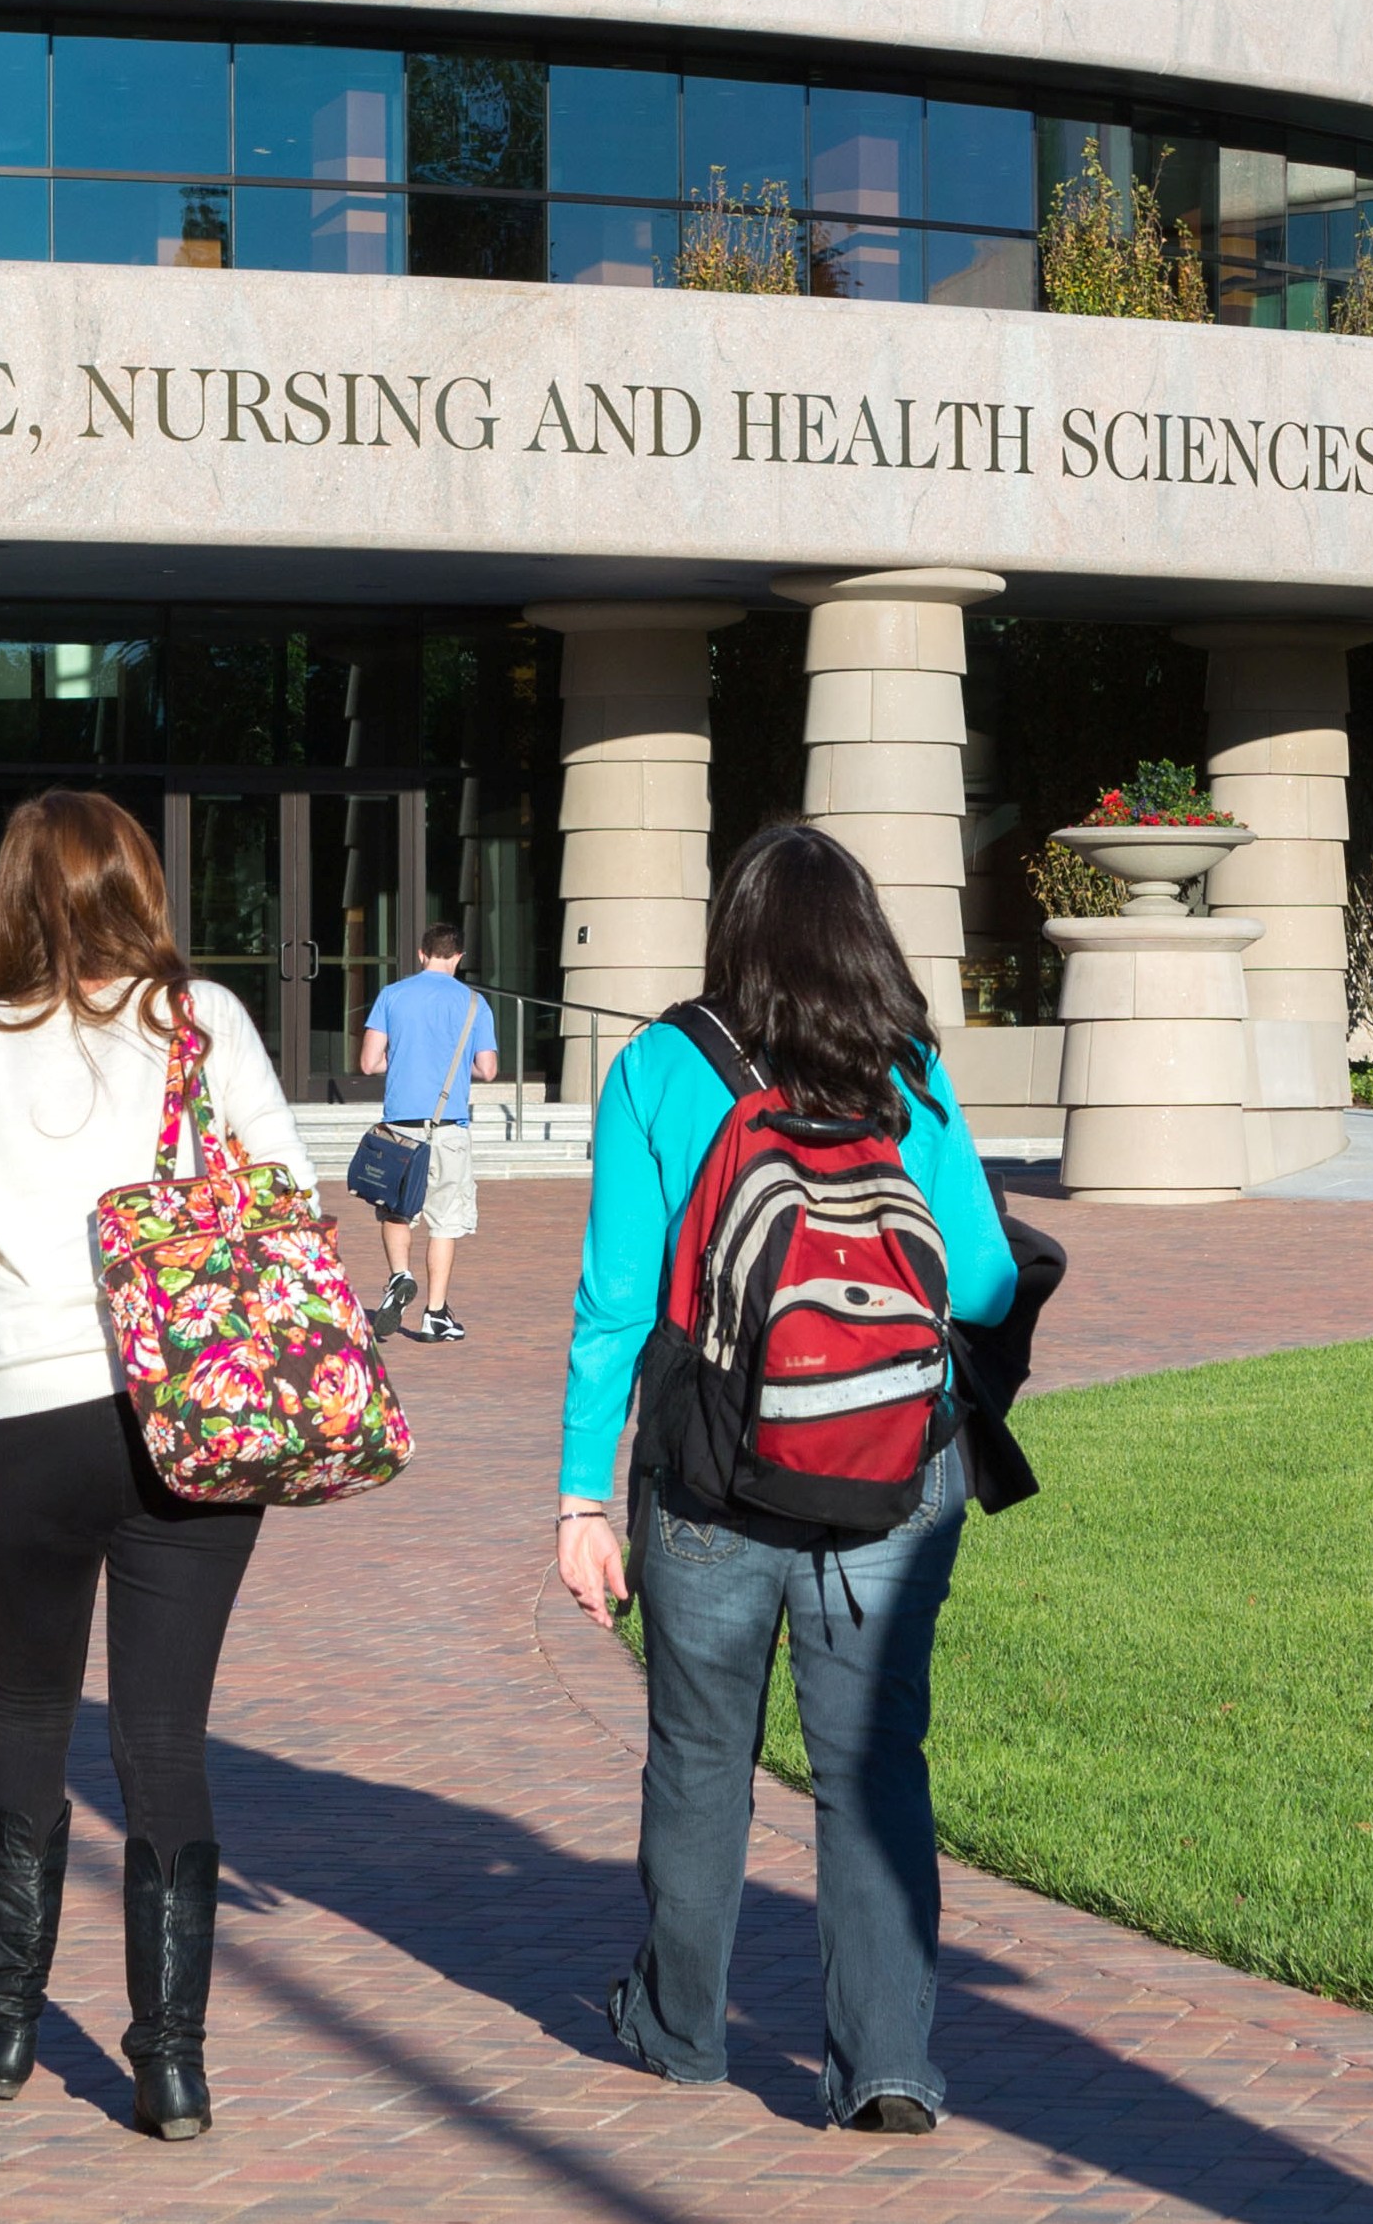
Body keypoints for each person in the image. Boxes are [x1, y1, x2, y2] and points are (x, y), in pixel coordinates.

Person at [554, 823, 1019, 2137]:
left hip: (711, 1472)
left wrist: (581, 1498)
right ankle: (887, 2064)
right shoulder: (906, 1065)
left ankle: (681, 2027)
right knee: (873, 1764)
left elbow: (612, 1302)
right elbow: (983, 1279)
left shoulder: (658, 1064)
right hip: (893, 1470)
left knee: (700, 1754)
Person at [0, 789, 309, 2142]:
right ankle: (169, 2063)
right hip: (196, 1410)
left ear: (13, 897)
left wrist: (9, 1268)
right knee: (164, 1736)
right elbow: (289, 1196)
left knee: (26, 1712)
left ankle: (4, 2030)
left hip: (31, 1411)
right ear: (137, 883)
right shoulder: (203, 1021)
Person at [358, 922, 498, 1344]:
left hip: (399, 1128)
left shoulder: (392, 995)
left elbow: (369, 1063)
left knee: (395, 1210)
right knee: (445, 1221)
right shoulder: (474, 1003)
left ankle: (400, 1276)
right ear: (459, 957)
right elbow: (488, 1069)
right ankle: (435, 1315)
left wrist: (402, 1061)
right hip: (448, 1128)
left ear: (421, 954)